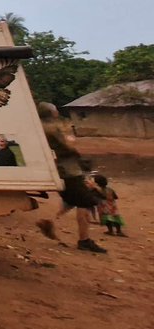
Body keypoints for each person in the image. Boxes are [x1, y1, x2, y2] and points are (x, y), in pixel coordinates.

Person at [36, 102, 106, 253]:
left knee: (71, 199)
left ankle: (49, 220)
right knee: (85, 201)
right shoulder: (54, 127)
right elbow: (69, 145)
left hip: (55, 168)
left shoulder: (37, 127)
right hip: (69, 169)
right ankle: (84, 240)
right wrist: (72, 139)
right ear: (52, 112)